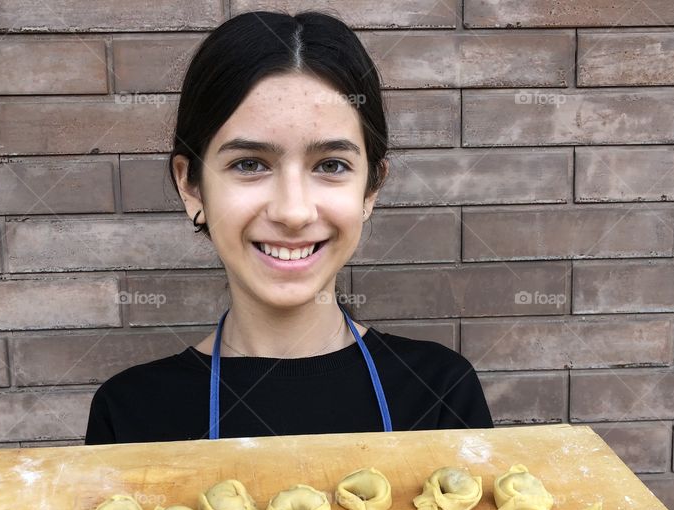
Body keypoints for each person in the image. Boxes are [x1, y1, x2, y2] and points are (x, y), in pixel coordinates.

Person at [84, 10, 493, 445]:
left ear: (370, 189)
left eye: (331, 165)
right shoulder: (130, 413)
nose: (293, 212)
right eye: (249, 164)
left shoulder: (441, 393)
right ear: (192, 187)